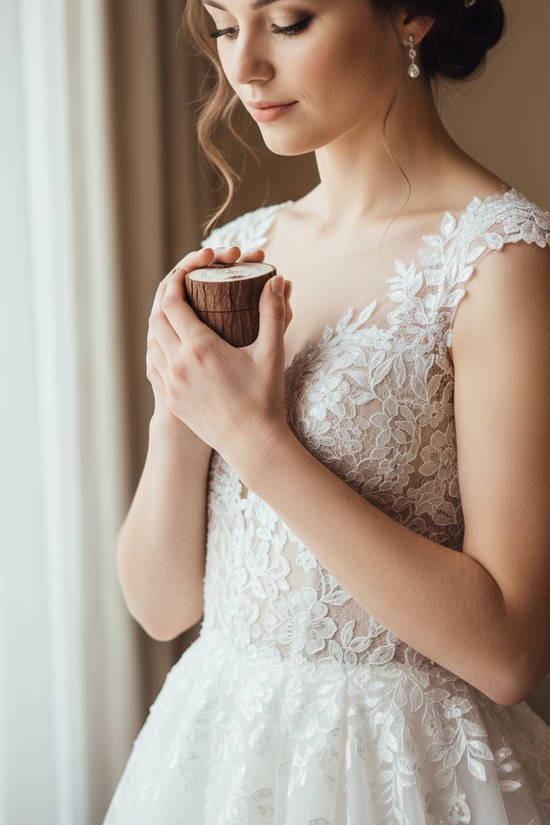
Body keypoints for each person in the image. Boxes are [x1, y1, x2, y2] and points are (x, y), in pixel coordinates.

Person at [103, 0, 550, 822]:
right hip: (217, 756)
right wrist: (181, 408)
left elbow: (510, 651)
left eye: (289, 20)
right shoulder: (244, 250)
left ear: (411, 15)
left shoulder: (501, 264)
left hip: (406, 771)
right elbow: (161, 604)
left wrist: (252, 435)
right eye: (226, 26)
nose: (243, 70)